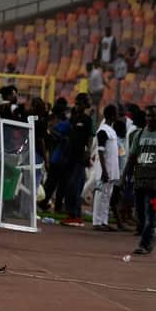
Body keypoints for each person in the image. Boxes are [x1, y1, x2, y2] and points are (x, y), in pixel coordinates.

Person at [123, 105, 156, 255]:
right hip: (140, 181)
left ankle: (144, 244)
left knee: (151, 214)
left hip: (155, 184)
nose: (151, 119)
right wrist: (124, 176)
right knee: (141, 215)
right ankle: (149, 238)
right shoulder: (139, 134)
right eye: (149, 116)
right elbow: (131, 157)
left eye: (154, 116)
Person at [61, 93, 93, 227]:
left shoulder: (87, 119)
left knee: (75, 185)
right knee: (69, 185)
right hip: (70, 155)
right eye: (77, 103)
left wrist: (88, 151)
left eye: (80, 103)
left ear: (85, 105)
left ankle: (76, 214)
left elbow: (90, 137)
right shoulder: (73, 118)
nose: (77, 106)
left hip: (80, 156)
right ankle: (70, 213)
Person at [92, 105, 120, 231]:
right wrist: (104, 170)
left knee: (107, 196)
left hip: (112, 168)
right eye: (116, 113)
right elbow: (100, 152)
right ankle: (97, 222)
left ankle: (104, 221)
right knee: (100, 195)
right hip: (104, 169)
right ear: (112, 115)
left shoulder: (111, 130)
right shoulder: (103, 131)